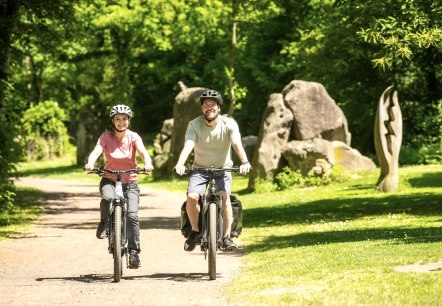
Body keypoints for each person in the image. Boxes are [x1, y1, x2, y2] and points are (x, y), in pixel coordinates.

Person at [174, 89, 252, 252]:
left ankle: (226, 237)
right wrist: (180, 163)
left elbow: (236, 143)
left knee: (224, 198)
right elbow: (188, 145)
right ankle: (195, 232)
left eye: (213, 104)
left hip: (223, 169)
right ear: (202, 108)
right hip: (199, 169)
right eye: (206, 105)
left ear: (219, 107)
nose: (210, 107)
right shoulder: (194, 124)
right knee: (192, 196)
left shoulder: (228, 123)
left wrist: (244, 161)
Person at [84, 104, 153, 269]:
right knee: (107, 198)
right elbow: (96, 151)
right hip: (109, 178)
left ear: (129, 120)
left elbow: (143, 152)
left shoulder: (134, 137)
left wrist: (148, 163)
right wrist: (90, 163)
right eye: (117, 119)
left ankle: (134, 252)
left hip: (130, 181)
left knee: (132, 216)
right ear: (113, 121)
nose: (121, 122)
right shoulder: (106, 137)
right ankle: (104, 222)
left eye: (124, 119)